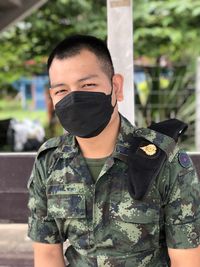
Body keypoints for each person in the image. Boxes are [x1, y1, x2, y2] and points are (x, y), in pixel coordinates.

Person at [27, 35, 200, 267]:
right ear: (52, 98)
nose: (74, 98)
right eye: (62, 91)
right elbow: (47, 255)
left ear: (115, 86)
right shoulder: (49, 161)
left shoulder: (165, 160)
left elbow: (186, 260)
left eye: (88, 85)